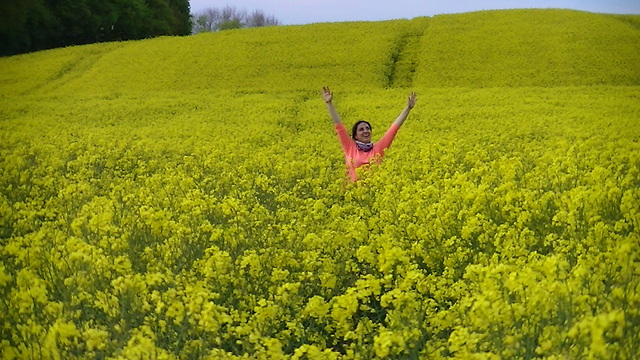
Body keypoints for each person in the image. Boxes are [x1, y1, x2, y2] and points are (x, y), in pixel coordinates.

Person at [322, 86, 416, 181]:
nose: (365, 131)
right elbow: (339, 127)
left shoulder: (378, 150)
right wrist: (329, 103)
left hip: (374, 193)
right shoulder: (350, 148)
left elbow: (393, 129)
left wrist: (408, 108)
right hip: (351, 192)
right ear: (355, 136)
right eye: (361, 129)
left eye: (367, 128)